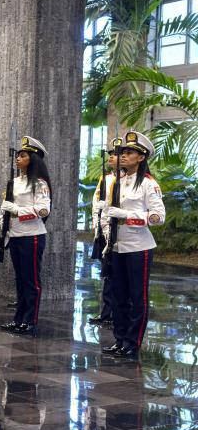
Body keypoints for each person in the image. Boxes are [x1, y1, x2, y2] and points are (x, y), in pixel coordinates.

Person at [102, 131, 165, 359]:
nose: (124, 155)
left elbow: (158, 216)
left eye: (129, 152)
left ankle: (132, 342)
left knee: (137, 297)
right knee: (118, 296)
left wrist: (128, 215)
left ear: (141, 157)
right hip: (118, 246)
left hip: (140, 247)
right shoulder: (117, 181)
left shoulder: (148, 184)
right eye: (123, 152)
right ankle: (120, 340)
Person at [0, 136, 52, 335]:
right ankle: (18, 319)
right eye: (18, 155)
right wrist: (4, 230)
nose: (18, 159)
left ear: (33, 159)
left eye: (23, 156)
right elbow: (4, 209)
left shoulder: (39, 183)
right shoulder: (13, 182)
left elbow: (43, 210)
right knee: (20, 280)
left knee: (31, 281)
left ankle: (30, 320)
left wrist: (17, 211)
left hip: (33, 235)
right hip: (15, 235)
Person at [89, 137, 122, 326]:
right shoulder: (105, 178)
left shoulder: (125, 181)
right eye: (110, 155)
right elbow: (96, 205)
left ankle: (116, 313)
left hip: (118, 232)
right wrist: (97, 229)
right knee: (107, 273)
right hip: (104, 231)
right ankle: (106, 312)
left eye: (115, 155)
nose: (111, 157)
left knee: (117, 275)